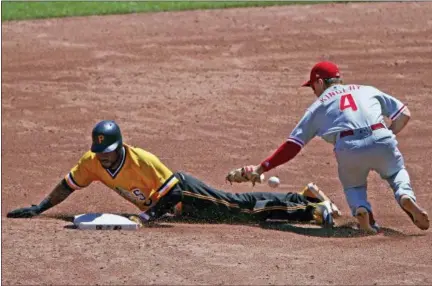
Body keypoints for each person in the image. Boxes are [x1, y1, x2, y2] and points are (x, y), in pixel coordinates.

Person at [7, 120, 340, 227]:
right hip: (173, 206)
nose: (103, 160)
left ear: (120, 147)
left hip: (183, 191)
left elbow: (175, 191)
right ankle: (304, 200)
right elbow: (68, 186)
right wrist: (40, 208)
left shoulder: (143, 161)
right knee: (239, 208)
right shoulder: (90, 162)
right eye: (99, 154)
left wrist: (147, 218)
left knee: (240, 209)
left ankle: (309, 207)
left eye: (107, 153)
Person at [226, 61, 429, 234]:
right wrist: (386, 136)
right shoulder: (367, 90)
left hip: (349, 147)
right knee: (395, 173)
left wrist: (262, 168)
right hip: (381, 136)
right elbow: (404, 114)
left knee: (354, 186)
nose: (313, 92)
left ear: (320, 82)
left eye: (312, 86)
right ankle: (405, 195)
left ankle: (362, 209)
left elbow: (292, 146)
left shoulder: (318, 107)